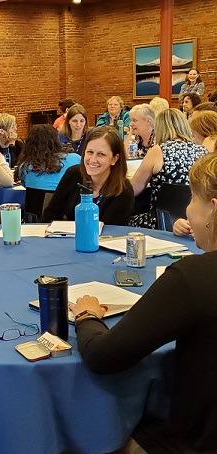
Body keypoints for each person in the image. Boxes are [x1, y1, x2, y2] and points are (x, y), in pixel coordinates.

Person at [70, 152, 217, 454]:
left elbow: (103, 356)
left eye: (192, 200)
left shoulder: (192, 278)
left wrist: (86, 315)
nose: (187, 211)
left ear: (213, 209)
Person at [129, 108, 207, 229]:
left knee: (124, 218)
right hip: (193, 222)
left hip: (160, 221)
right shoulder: (203, 151)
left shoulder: (159, 150)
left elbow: (133, 189)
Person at [42, 126, 134, 225]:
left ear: (114, 159)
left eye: (101, 154)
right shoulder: (73, 174)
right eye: (90, 152)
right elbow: (49, 215)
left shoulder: (123, 190)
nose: (93, 160)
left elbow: (111, 232)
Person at [17, 124, 81, 191]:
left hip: (36, 201)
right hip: (65, 200)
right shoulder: (75, 159)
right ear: (57, 140)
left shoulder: (24, 167)